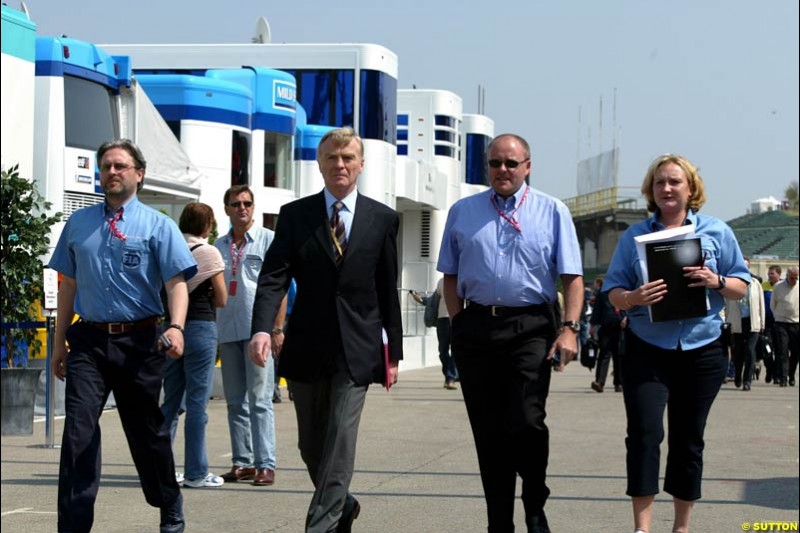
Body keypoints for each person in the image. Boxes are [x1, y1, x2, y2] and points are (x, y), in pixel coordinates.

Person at [248, 127, 403, 533]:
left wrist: (394, 353)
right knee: (311, 446)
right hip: (306, 345)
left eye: (348, 157)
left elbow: (388, 289)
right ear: (319, 164)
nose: (340, 164)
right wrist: (262, 328)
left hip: (358, 349)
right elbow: (273, 277)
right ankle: (343, 504)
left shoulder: (383, 219)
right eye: (332, 157)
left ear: (361, 164)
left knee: (340, 439)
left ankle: (321, 525)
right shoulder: (296, 216)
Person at [49, 139, 197, 533]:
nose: (111, 172)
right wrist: (58, 343)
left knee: (147, 432)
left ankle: (168, 501)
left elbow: (176, 283)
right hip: (89, 343)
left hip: (141, 342)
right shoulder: (79, 224)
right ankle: (73, 525)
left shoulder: (158, 225)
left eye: (119, 166)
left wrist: (177, 327)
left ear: (138, 174)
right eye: (106, 166)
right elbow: (68, 285)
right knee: (78, 434)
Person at [437, 133, 583, 532]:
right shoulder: (463, 211)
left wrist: (569, 330)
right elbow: (449, 275)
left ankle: (534, 502)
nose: (503, 170)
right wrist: (459, 321)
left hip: (531, 326)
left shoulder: (553, 211)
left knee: (526, 420)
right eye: (496, 163)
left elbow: (572, 277)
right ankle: (498, 522)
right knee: (489, 433)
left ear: (528, 167)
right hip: (477, 326)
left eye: (511, 163)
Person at [603, 154, 749, 533]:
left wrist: (715, 280)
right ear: (651, 191)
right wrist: (634, 297)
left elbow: (741, 286)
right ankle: (642, 527)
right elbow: (612, 292)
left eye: (674, 182)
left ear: (690, 188)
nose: (666, 189)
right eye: (659, 183)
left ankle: (681, 526)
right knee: (645, 433)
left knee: (688, 439)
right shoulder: (633, 236)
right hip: (647, 349)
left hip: (703, 350)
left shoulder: (717, 231)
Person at [214, 185, 278, 487]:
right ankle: (243, 462)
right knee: (235, 400)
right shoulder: (219, 244)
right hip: (227, 329)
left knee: (261, 399)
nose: (242, 208)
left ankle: (265, 463)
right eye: (236, 204)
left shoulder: (267, 240)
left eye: (247, 203)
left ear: (254, 207)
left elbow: (280, 288)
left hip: (259, 332)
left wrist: (276, 329)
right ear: (226, 208)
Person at [161, 202, 227, 487]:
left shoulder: (171, 250)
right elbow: (222, 298)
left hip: (170, 328)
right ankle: (196, 472)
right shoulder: (209, 252)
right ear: (207, 225)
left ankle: (160, 469)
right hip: (200, 326)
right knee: (198, 404)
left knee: (171, 402)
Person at [724, 258, 765, 391]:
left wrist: (762, 322)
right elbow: (726, 305)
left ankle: (747, 381)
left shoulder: (755, 283)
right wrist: (727, 323)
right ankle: (737, 375)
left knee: (750, 351)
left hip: (752, 322)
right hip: (737, 322)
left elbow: (761, 304)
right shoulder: (731, 283)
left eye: (746, 266)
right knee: (738, 352)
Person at [411, 277, 459, 389]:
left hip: (457, 319)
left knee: (456, 350)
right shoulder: (442, 281)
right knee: (442, 351)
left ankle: (450, 378)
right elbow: (433, 301)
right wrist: (421, 299)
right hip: (442, 320)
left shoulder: (463, 280)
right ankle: (450, 374)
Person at [590, 276, 624, 393]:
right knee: (604, 353)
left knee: (619, 355)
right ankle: (600, 382)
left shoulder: (623, 289)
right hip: (606, 327)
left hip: (621, 327)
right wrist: (593, 325)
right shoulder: (602, 293)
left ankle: (619, 383)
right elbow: (597, 309)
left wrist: (627, 319)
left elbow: (629, 306)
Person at [770, 266, 799, 387]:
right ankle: (783, 378)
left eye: (796, 278)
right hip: (781, 323)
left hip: (796, 323)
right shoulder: (778, 286)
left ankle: (791, 375)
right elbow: (773, 304)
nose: (794, 280)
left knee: (796, 352)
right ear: (787, 276)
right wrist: (777, 316)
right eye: (792, 278)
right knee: (782, 351)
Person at [762, 265, 781, 382]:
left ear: (779, 274)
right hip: (767, 323)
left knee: (779, 351)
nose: (769, 276)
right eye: (769, 274)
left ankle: (777, 375)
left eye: (772, 274)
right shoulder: (763, 286)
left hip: (779, 323)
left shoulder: (782, 287)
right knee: (767, 349)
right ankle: (770, 369)